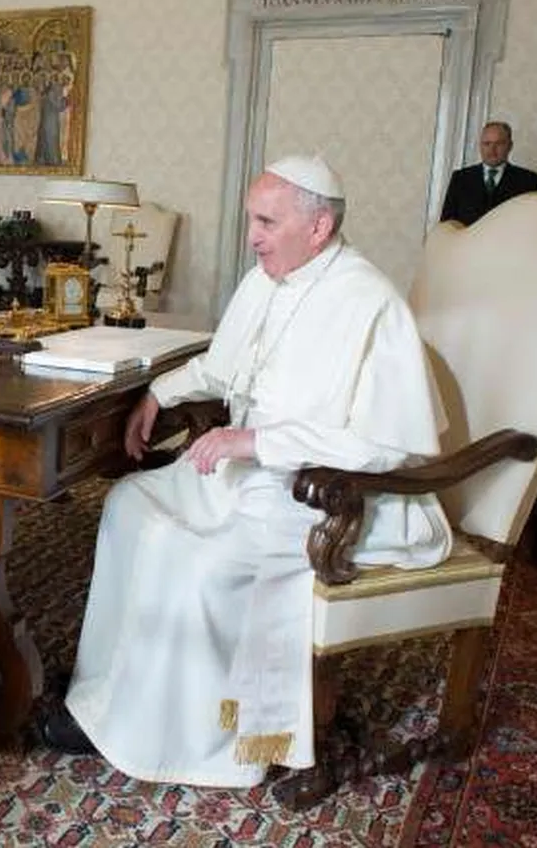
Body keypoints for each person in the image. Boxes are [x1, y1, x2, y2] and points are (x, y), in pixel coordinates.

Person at [37, 156, 452, 787]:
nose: (252, 237)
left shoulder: (370, 301)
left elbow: (385, 447)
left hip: (325, 494)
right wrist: (159, 394)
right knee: (129, 505)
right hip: (249, 472)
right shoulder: (267, 278)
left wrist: (255, 441)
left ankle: (190, 733)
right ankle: (110, 688)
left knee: (196, 558)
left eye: (266, 222)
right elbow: (222, 366)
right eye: (251, 220)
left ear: (318, 227)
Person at [439, 121, 537, 226]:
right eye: (487, 144)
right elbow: (447, 225)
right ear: (480, 146)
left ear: (510, 146)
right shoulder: (460, 178)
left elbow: (530, 224)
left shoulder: (527, 180)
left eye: (499, 144)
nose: (492, 150)